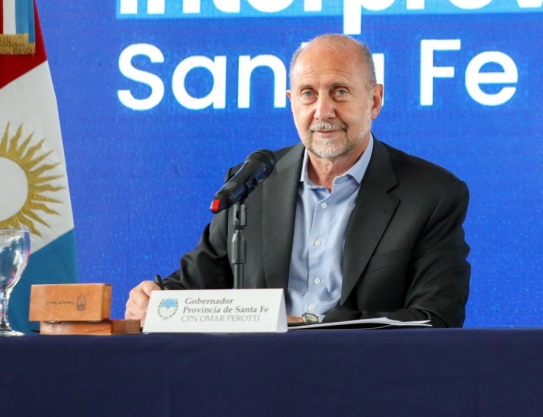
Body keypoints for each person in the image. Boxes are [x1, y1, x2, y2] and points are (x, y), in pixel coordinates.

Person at [126, 34, 471, 327]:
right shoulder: (251, 184)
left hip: (366, 376)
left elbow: (435, 318)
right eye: (308, 93)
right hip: (259, 375)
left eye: (340, 91)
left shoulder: (432, 195)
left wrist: (311, 328)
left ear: (375, 101)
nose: (323, 111)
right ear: (292, 103)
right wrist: (156, 300)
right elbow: (196, 285)